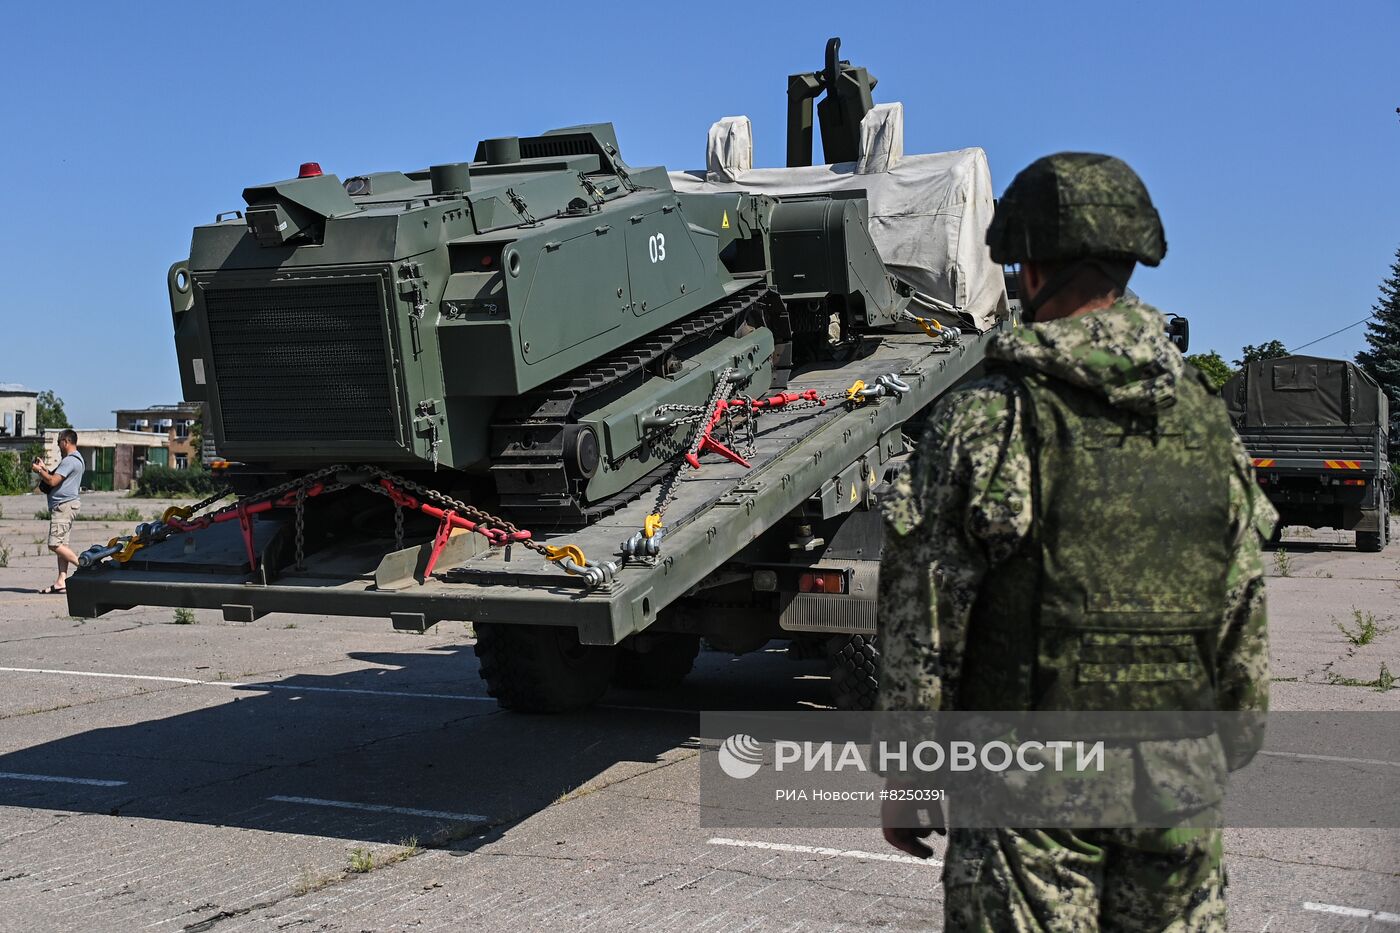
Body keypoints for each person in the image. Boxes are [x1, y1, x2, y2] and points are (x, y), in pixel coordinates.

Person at [875, 153, 1276, 931]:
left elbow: (923, 621)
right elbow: (1242, 619)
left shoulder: (990, 419)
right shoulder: (1205, 423)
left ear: (1029, 272)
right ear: (1126, 265)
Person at [31, 429, 85, 594]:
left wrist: (39, 471)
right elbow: (58, 478)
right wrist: (45, 468)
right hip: (67, 506)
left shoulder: (69, 461)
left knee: (54, 544)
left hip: (64, 507)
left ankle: (85, 566)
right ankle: (61, 581)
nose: (58, 446)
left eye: (58, 442)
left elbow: (53, 481)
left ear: (66, 442)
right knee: (63, 544)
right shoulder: (77, 459)